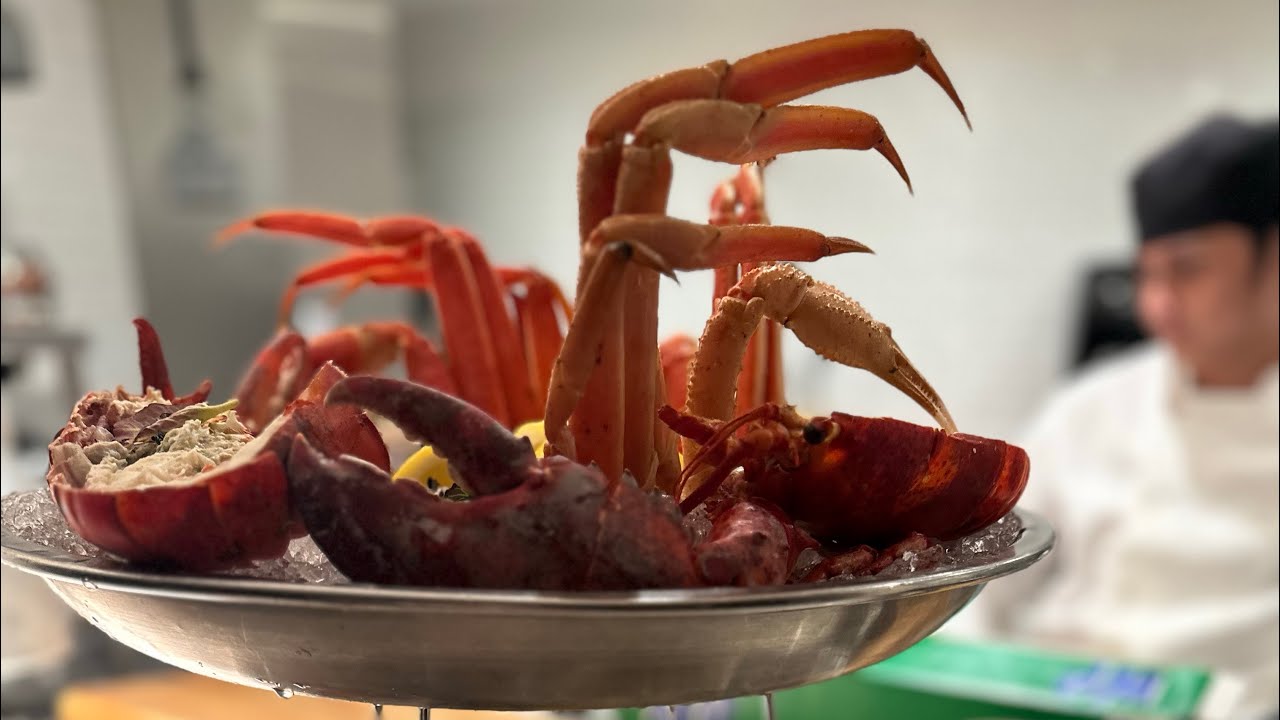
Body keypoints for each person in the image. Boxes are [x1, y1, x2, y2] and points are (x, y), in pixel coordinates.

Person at [963, 114, 1279, 718]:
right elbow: (985, 582)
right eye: (1146, 274)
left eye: (1187, 270)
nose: (1156, 305)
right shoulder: (1093, 407)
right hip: (1034, 695)